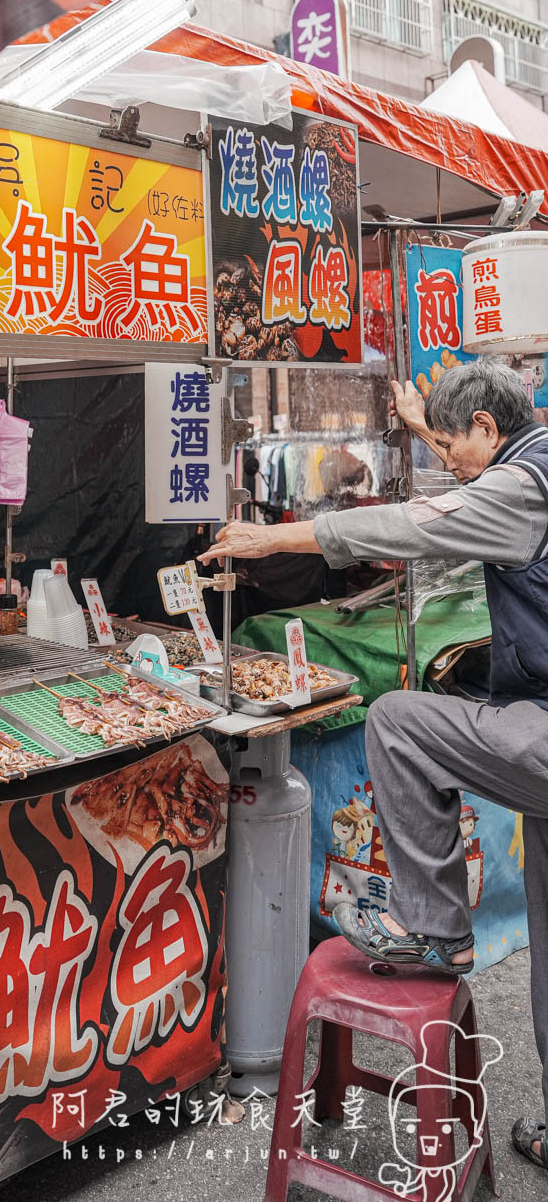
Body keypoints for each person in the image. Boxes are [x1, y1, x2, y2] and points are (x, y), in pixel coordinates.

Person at [203, 359, 548, 1175]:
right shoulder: (531, 457)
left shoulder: (520, 489)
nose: (449, 463)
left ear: (489, 432)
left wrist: (273, 535)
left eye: (454, 445)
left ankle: (437, 930)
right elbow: (458, 481)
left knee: (395, 719)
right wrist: (421, 422)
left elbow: (419, 522)